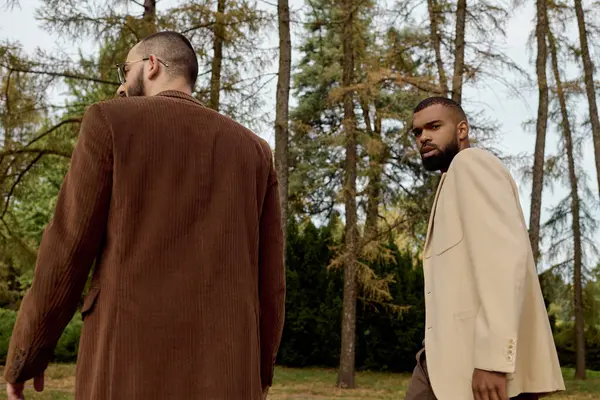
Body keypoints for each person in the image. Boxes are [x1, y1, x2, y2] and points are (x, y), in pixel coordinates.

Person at [4, 31, 285, 400]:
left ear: (151, 66)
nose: (121, 88)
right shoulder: (255, 151)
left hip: (124, 368)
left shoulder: (109, 121)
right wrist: (259, 373)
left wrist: (27, 356)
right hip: (229, 376)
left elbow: (67, 248)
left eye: (126, 71)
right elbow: (271, 283)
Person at [405, 97, 565, 400]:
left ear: (462, 129)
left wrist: (493, 360)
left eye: (434, 126)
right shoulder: (450, 180)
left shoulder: (472, 163)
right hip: (443, 360)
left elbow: (505, 261)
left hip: (480, 364)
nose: (423, 136)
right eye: (417, 132)